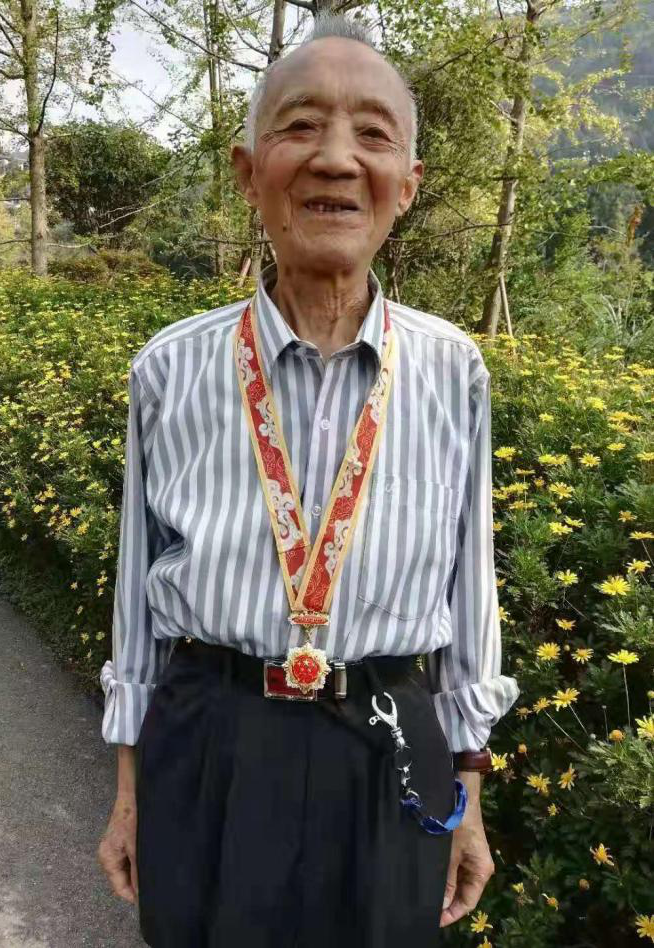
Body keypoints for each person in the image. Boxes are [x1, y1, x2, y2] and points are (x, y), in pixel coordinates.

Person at [96, 12, 520, 948]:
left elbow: (470, 588)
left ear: (407, 184)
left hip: (390, 744)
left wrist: (470, 793)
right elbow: (135, 594)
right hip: (209, 741)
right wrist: (129, 792)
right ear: (249, 173)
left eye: (372, 133)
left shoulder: (452, 369)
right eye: (299, 126)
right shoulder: (170, 367)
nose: (335, 159)